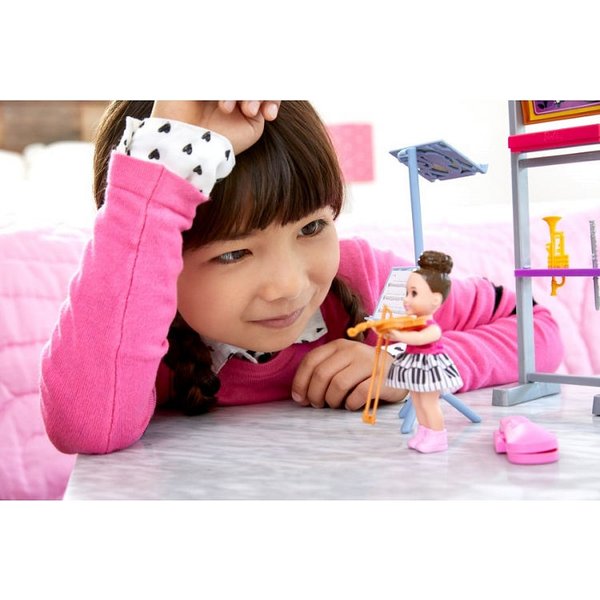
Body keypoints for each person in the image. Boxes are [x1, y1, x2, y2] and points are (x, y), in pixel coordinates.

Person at [40, 101, 564, 455]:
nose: (288, 286)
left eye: (312, 227)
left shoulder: (368, 280)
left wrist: (404, 367)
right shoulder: (134, 327)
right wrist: (161, 171)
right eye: (233, 253)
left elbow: (535, 324)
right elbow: (86, 428)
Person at [386, 250, 462, 453]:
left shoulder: (432, 327)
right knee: (418, 402)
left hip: (429, 367)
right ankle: (424, 432)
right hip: (415, 365)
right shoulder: (412, 321)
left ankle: (438, 436)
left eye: (414, 294)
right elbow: (406, 334)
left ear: (435, 300)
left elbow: (419, 339)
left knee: (429, 403)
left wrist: (399, 335)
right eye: (406, 293)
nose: (406, 299)